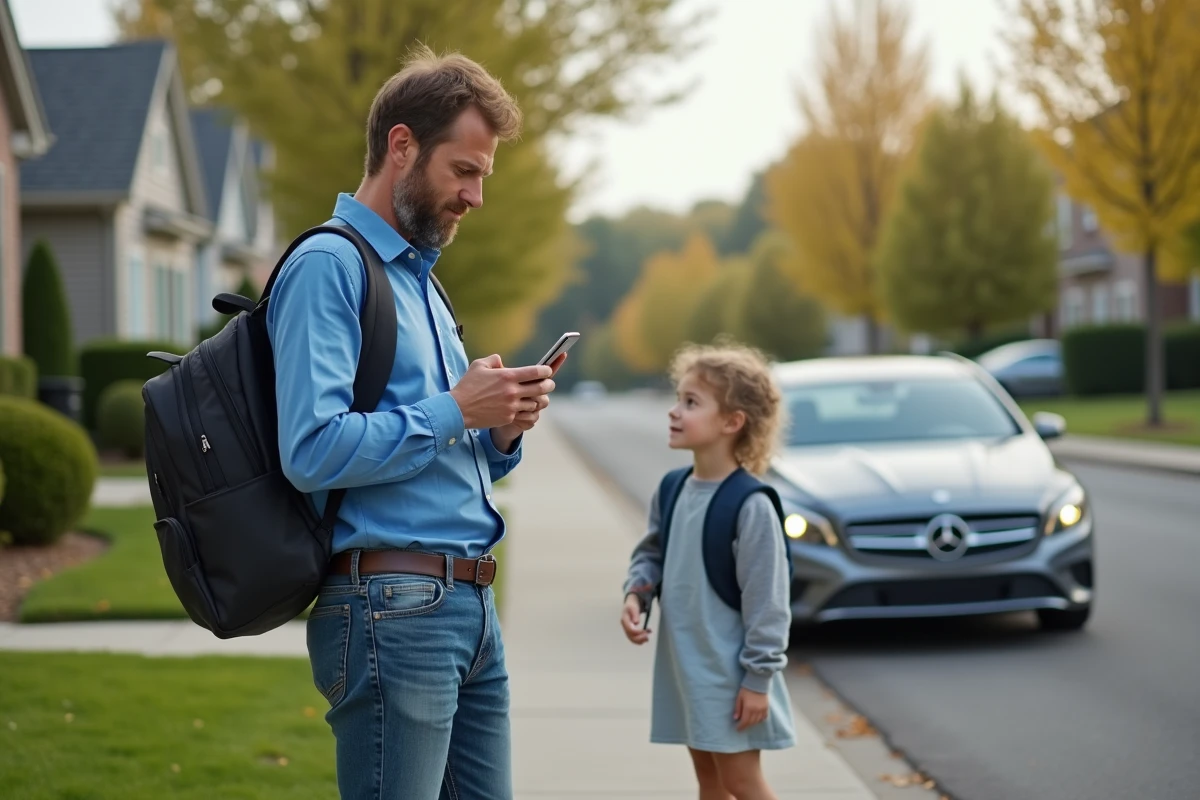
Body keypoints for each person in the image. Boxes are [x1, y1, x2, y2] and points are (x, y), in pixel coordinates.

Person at [266, 46, 562, 800]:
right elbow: (312, 449)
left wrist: (498, 430)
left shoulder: (421, 283)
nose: (476, 197)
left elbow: (444, 449)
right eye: (464, 171)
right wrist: (457, 407)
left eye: (483, 176)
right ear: (402, 147)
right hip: (391, 612)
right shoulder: (329, 267)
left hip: (467, 607)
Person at [621, 343, 796, 800]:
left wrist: (758, 681)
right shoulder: (673, 487)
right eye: (678, 399)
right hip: (688, 667)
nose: (674, 412)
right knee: (710, 782)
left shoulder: (751, 505)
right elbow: (652, 553)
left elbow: (769, 603)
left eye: (691, 403)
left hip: (730, 672)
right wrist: (636, 595)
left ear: (732, 422)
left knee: (742, 781)